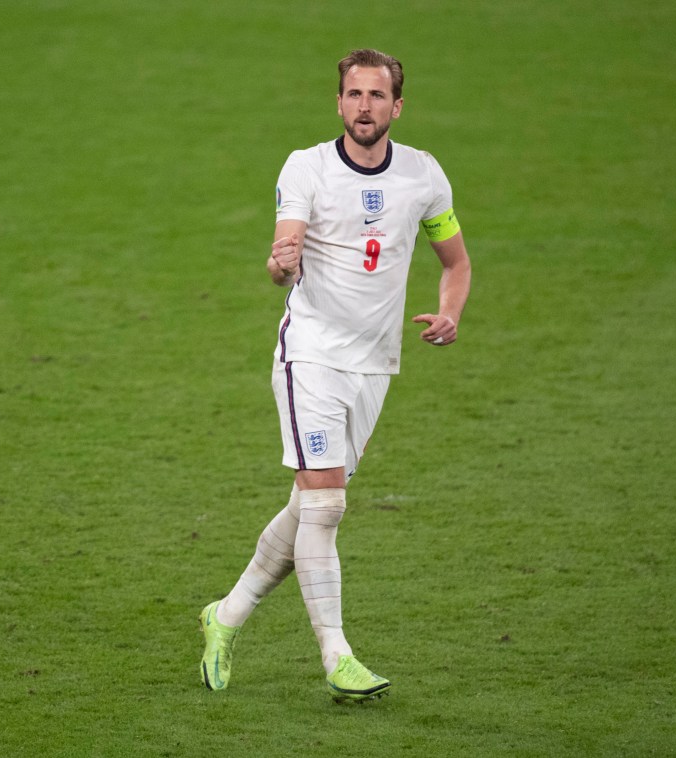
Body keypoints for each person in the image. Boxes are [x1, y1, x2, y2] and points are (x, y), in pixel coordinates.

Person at [199, 48, 471, 703]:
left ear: (397, 106)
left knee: (310, 507)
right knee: (327, 503)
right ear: (339, 102)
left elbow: (455, 262)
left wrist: (451, 313)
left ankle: (225, 615)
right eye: (354, 94)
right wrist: (282, 260)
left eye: (378, 96)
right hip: (311, 355)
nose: (365, 107)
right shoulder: (308, 168)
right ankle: (337, 655)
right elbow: (284, 241)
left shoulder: (424, 177)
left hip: (375, 365)